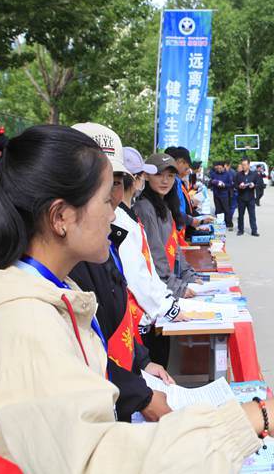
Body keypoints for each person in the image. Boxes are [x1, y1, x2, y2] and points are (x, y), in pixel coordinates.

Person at [0, 125, 274, 473]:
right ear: (61, 216)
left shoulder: (42, 297)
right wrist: (257, 417)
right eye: (106, 199)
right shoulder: (25, 324)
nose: (115, 213)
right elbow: (96, 461)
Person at [66, 123, 175, 423]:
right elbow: (82, 361)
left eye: (117, 182)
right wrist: (139, 394)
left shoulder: (104, 241)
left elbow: (116, 318)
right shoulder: (59, 272)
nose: (114, 202)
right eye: (101, 188)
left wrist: (142, 360)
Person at [115, 146, 185, 367]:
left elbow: (147, 268)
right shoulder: (124, 218)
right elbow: (139, 274)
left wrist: (166, 300)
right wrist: (168, 306)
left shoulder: (129, 215)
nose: (164, 180)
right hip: (138, 315)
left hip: (147, 309)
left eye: (170, 176)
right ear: (138, 180)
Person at [136, 153, 200, 299]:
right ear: (146, 176)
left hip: (170, 283)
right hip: (159, 289)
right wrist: (176, 287)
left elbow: (175, 247)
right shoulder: (144, 208)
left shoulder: (166, 206)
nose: (165, 181)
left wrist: (188, 274)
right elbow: (154, 253)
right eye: (159, 174)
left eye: (170, 176)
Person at [234, 157, 260, 236]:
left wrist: (253, 185)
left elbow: (259, 184)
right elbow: (235, 185)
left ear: (248, 165)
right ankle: (240, 230)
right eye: (242, 165)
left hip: (251, 198)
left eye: (245, 165)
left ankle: (254, 231)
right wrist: (239, 186)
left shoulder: (254, 174)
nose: (243, 166)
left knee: (252, 215)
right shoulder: (238, 174)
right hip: (241, 198)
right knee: (240, 215)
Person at [209, 161, 234, 229]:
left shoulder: (227, 174)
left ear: (223, 167)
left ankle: (229, 224)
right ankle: (219, 224)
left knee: (226, 209)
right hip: (216, 194)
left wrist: (224, 185)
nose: (219, 170)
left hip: (224, 195)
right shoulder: (214, 174)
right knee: (218, 210)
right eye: (218, 168)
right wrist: (213, 182)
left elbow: (231, 185)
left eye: (220, 168)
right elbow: (210, 183)